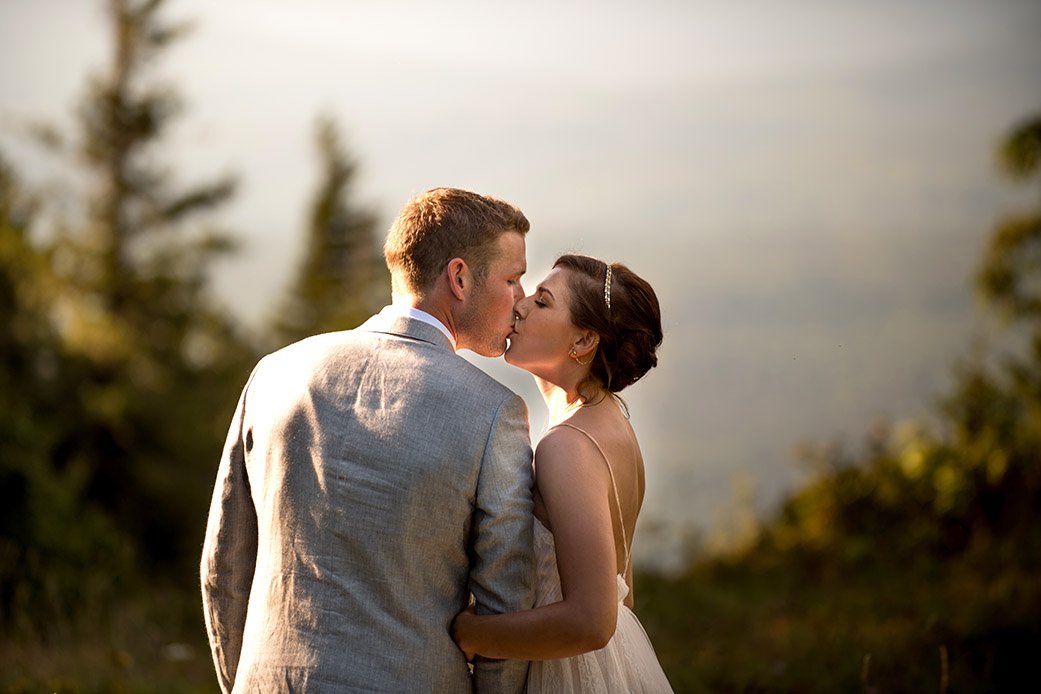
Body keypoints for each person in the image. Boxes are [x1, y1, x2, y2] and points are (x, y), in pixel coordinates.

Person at [200, 188, 537, 693]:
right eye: (513, 279)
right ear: (460, 277)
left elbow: (223, 567)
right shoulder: (494, 413)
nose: (522, 299)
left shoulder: (275, 374)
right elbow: (505, 603)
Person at [452, 254, 674, 693]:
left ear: (583, 340)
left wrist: (471, 634)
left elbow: (592, 621)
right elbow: (622, 592)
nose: (520, 305)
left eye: (543, 301)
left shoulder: (566, 446)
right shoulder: (613, 423)